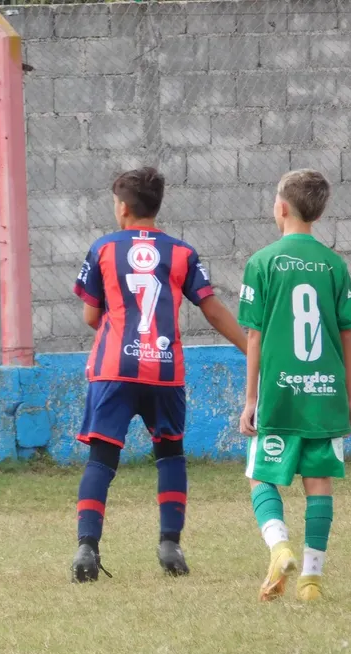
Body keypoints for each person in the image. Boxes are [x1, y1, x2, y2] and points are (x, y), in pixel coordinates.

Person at [71, 167, 247, 583]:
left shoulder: (103, 249)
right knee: (169, 453)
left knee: (102, 459)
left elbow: (91, 314)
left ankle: (86, 550)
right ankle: (170, 544)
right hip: (164, 368)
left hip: (113, 368)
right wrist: (250, 347)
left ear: (123, 208)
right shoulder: (182, 253)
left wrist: (123, 332)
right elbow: (212, 308)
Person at [237, 169, 351, 602]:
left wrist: (252, 398)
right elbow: (347, 335)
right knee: (319, 480)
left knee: (259, 475)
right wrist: (349, 397)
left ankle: (279, 546)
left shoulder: (262, 262)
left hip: (279, 392)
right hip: (325, 391)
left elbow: (254, 335)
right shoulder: (334, 264)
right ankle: (311, 580)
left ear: (282, 207)